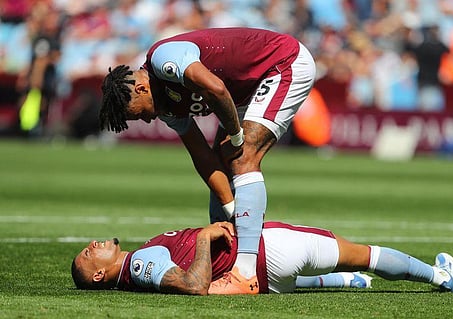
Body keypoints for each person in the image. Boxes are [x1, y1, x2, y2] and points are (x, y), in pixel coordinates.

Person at [99, 27, 316, 293]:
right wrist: (230, 207)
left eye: (140, 113)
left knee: (243, 155)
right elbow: (201, 155)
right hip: (243, 92)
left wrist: (236, 138)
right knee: (226, 162)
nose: (146, 120)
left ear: (142, 88)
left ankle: (245, 273)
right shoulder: (165, 106)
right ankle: (233, 261)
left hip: (282, 62)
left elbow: (216, 88)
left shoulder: (164, 58)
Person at [71, 221, 453, 295]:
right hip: (264, 251)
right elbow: (192, 285)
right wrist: (206, 238)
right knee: (364, 254)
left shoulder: (138, 266)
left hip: (260, 275)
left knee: (345, 271)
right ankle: (440, 277)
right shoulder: (141, 263)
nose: (91, 245)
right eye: (88, 256)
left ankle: (343, 282)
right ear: (101, 275)